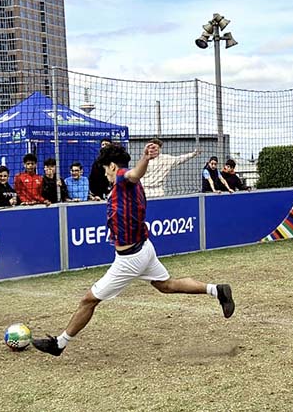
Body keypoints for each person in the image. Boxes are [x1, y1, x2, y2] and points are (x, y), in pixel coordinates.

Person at [30, 143, 234, 357]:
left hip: (130, 258)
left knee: (88, 300)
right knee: (166, 285)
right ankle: (217, 290)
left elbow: (133, 174)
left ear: (111, 166)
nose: (105, 174)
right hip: (144, 248)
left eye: (104, 169)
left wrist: (145, 159)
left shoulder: (122, 177)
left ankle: (59, 344)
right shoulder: (131, 186)